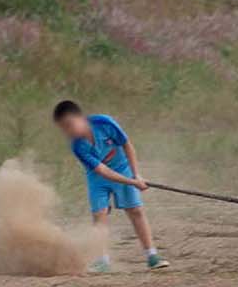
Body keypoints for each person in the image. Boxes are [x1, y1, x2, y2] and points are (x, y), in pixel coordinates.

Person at [52, 100, 169, 273]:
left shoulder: (104, 123)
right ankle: (102, 261)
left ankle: (152, 255)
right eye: (64, 128)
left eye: (69, 125)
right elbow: (102, 170)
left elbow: (127, 145)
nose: (68, 131)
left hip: (123, 168)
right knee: (99, 214)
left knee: (135, 211)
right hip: (98, 178)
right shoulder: (77, 146)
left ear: (80, 118)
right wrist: (132, 182)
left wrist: (136, 174)